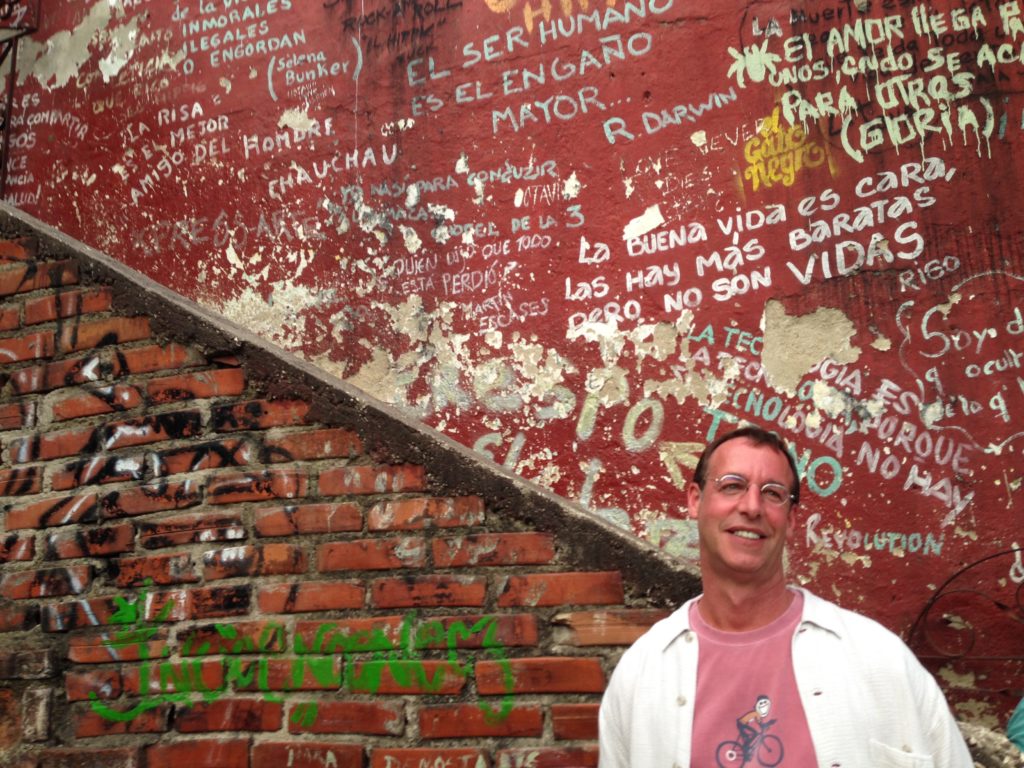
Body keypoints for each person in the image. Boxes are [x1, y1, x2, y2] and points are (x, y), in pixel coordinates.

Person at [598, 425, 973, 768]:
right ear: (696, 500)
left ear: (792, 518)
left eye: (773, 494)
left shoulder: (880, 661)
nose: (751, 507)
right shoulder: (641, 674)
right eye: (731, 485)